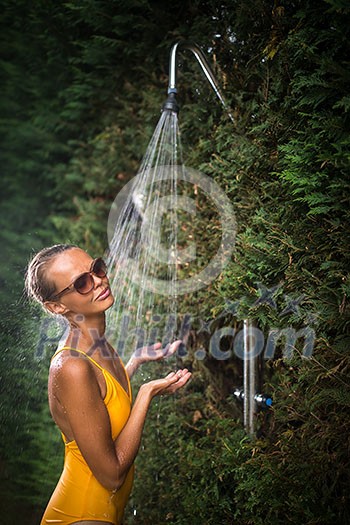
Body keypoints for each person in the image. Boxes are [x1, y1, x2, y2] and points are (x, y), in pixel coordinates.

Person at [25, 244, 191, 525]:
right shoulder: (71, 366)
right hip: (82, 515)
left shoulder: (96, 346)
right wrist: (146, 392)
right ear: (56, 306)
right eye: (82, 282)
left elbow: (102, 404)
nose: (99, 280)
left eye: (97, 268)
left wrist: (135, 362)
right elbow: (112, 475)